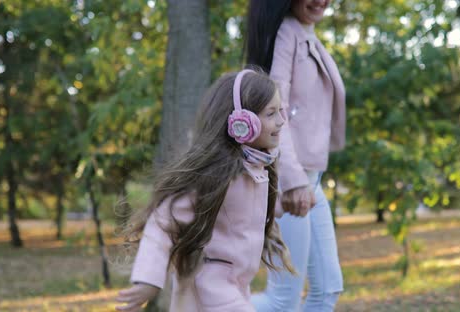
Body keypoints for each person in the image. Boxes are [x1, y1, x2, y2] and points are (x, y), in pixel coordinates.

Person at [115, 69, 294, 312]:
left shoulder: (258, 169)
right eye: (271, 113)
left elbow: (246, 213)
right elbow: (163, 220)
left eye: (280, 111)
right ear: (242, 123)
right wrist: (148, 280)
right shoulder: (216, 175)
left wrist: (288, 203)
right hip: (211, 285)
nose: (281, 121)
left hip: (236, 285)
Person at [245, 0, 346, 310]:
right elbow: (273, 111)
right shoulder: (286, 33)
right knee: (281, 301)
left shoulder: (305, 33)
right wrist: (291, 180)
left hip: (310, 182)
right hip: (289, 184)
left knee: (327, 289)